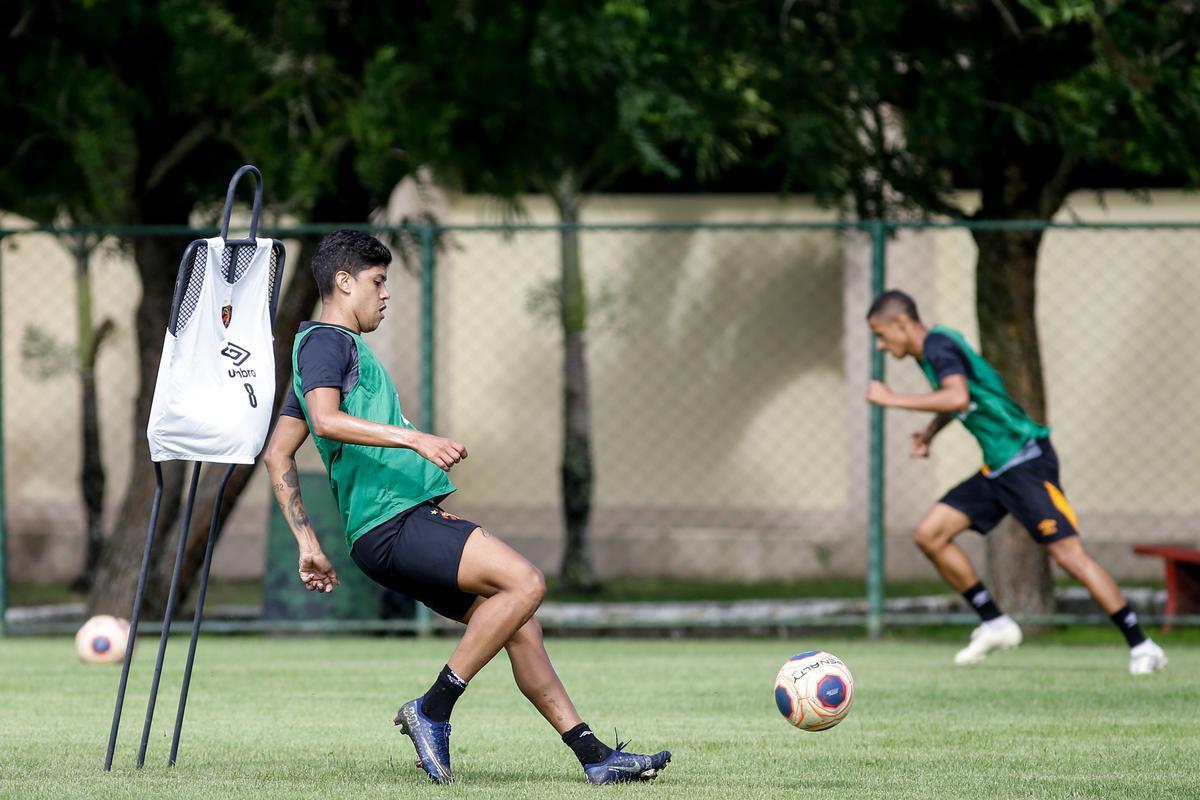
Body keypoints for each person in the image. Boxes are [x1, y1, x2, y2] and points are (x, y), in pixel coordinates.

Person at [263, 230, 672, 783]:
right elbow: (328, 422)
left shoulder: (321, 353)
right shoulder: (325, 342)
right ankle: (432, 709)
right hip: (394, 522)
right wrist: (418, 440)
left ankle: (595, 757)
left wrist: (309, 545)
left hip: (384, 530)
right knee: (525, 583)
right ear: (343, 281)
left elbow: (277, 452)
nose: (386, 295)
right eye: (378, 282)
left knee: (519, 623)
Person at [864, 290, 1167, 675]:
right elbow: (970, 397)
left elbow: (956, 397)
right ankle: (995, 623)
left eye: (880, 333)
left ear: (901, 323)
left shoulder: (938, 347)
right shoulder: (937, 347)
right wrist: (930, 431)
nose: (880, 344)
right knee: (930, 534)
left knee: (1068, 556)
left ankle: (1143, 645)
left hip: (1026, 461)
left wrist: (892, 399)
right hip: (997, 468)